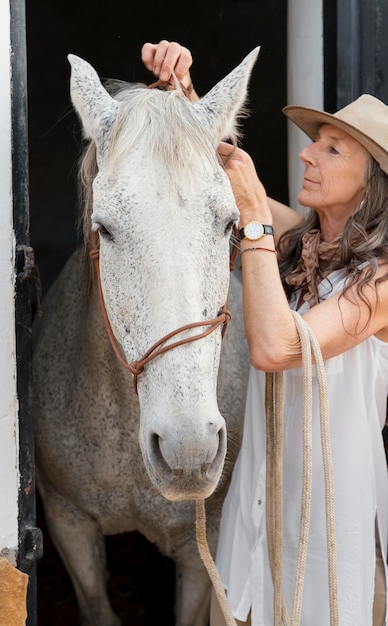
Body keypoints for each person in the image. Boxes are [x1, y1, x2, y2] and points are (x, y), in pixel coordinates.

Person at [142, 41, 388, 625]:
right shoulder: (301, 245)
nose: (309, 157)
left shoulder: (381, 280)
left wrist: (253, 214)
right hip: (261, 490)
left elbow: (279, 348)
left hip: (333, 515)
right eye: (315, 143)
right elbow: (217, 169)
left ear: (374, 181)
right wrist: (183, 88)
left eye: (332, 150)